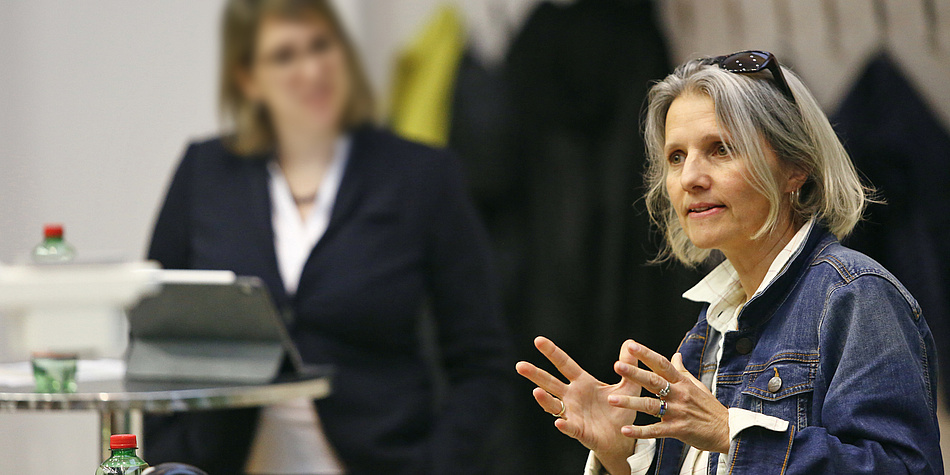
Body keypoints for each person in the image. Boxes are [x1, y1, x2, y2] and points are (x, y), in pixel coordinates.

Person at [516, 51, 943, 474]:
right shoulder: (710, 325)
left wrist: (729, 433)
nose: (690, 178)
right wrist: (618, 456)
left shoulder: (857, 297)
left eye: (719, 149)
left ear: (796, 166)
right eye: (676, 157)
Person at [144, 1, 512, 474]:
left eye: (322, 46)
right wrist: (170, 461)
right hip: (222, 460)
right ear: (248, 78)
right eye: (285, 56)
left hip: (382, 458)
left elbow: (481, 359)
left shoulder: (421, 175)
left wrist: (435, 464)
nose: (312, 69)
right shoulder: (205, 172)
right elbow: (155, 337)